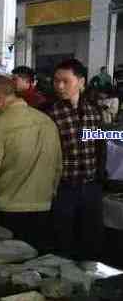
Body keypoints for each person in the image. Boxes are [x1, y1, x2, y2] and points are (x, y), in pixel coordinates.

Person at [0, 76, 62, 250]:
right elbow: (58, 166)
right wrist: (49, 195)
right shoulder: (47, 121)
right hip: (43, 207)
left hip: (7, 210)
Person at [47, 59, 105, 260]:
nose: (59, 86)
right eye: (56, 81)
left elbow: (99, 143)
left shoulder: (93, 111)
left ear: (81, 82)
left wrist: (100, 174)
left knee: (91, 239)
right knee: (63, 241)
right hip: (64, 188)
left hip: (90, 186)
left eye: (65, 81)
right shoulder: (50, 112)